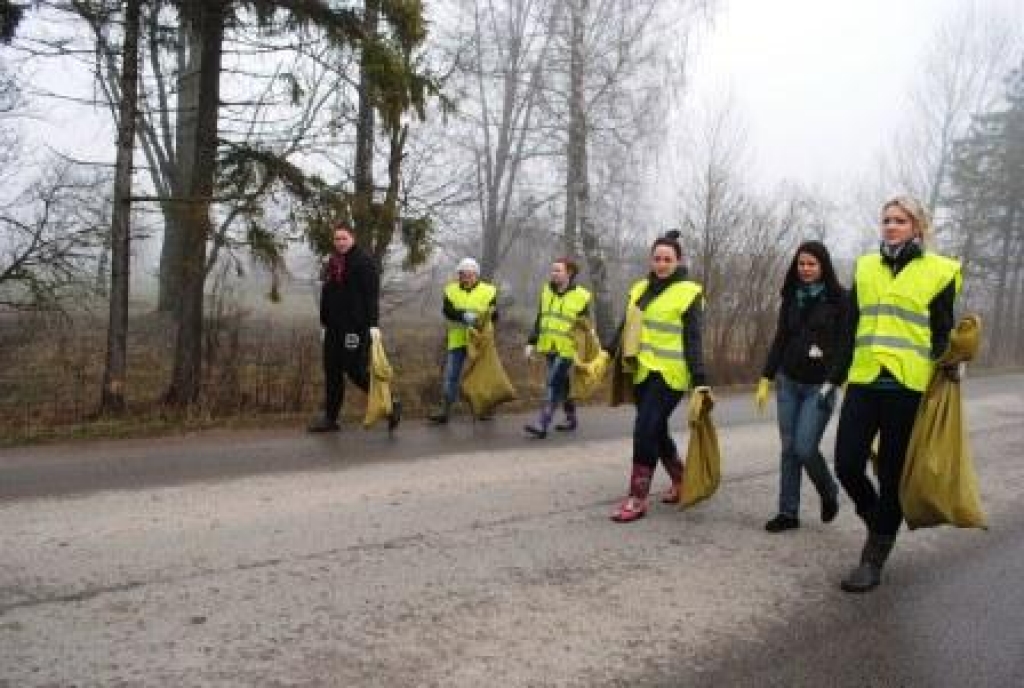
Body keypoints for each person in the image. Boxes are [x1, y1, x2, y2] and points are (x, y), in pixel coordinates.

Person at [833, 196, 960, 593]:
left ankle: (874, 557)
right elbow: (852, 325)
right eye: (886, 219)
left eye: (900, 220)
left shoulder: (940, 272)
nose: (890, 226)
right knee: (847, 463)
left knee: (892, 475)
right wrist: (834, 377)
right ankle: (879, 522)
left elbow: (941, 330)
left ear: (917, 228)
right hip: (865, 380)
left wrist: (950, 364)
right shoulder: (866, 266)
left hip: (908, 386)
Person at [608, 230, 710, 523]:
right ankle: (680, 479)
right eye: (657, 258)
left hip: (670, 375)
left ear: (678, 261)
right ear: (650, 260)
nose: (662, 264)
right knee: (656, 429)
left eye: (668, 259)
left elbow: (693, 339)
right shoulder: (640, 289)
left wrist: (700, 379)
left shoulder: (689, 292)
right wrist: (606, 351)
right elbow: (626, 325)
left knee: (645, 428)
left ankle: (637, 498)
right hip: (642, 371)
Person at [756, 241, 848, 533]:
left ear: (823, 266)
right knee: (788, 450)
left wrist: (834, 379)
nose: (805, 269)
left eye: (812, 264)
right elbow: (781, 338)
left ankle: (829, 490)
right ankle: (788, 512)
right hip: (788, 382)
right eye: (801, 264)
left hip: (820, 387)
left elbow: (846, 345)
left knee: (805, 448)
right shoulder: (791, 297)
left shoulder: (840, 300)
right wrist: (766, 377)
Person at [308, 223, 400, 433]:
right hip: (333, 328)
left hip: (355, 329)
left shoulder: (364, 263)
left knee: (355, 371)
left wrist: (373, 326)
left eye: (344, 238)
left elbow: (371, 297)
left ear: (353, 238)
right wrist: (324, 323)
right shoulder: (333, 263)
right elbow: (327, 295)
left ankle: (391, 403)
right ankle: (330, 418)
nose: (340, 242)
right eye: (337, 239)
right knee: (332, 372)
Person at [523, 258, 592, 438]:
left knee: (553, 382)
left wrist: (586, 350)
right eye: (552, 270)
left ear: (569, 273)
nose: (553, 273)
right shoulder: (546, 291)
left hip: (569, 348)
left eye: (557, 270)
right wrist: (531, 342)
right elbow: (540, 318)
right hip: (549, 345)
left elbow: (585, 326)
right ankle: (571, 417)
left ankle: (543, 422)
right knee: (563, 384)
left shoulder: (582, 296)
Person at [428, 257, 498, 424]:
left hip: (480, 340)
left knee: (483, 375)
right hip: (457, 339)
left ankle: (485, 408)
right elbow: (447, 311)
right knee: (451, 375)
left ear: (476, 275)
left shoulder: (489, 291)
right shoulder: (450, 290)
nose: (465, 278)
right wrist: (463, 315)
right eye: (462, 274)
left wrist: (481, 318)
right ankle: (445, 409)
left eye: (468, 275)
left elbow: (494, 314)